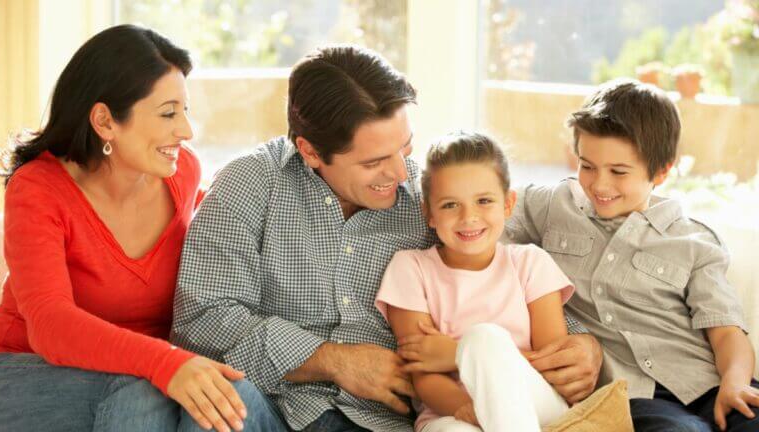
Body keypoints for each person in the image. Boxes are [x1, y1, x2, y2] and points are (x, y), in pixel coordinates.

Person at [172, 45, 602, 432]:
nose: (400, 175)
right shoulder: (251, 184)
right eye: (375, 161)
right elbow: (201, 321)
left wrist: (581, 342)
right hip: (277, 406)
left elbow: (496, 263)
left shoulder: (430, 197)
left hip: (383, 421)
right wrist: (332, 360)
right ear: (310, 152)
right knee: (210, 409)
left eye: (406, 148)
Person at [0, 24, 249, 432]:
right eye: (168, 113)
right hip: (23, 370)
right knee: (142, 394)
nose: (186, 130)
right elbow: (50, 325)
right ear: (105, 121)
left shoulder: (183, 174)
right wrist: (166, 361)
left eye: (186, 110)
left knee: (216, 398)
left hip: (143, 378)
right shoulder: (38, 189)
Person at [506, 78, 759, 432]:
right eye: (587, 165)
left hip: (708, 383)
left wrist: (735, 381)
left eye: (619, 172)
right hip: (633, 397)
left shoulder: (695, 241)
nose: (599, 184)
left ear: (662, 170)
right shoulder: (550, 207)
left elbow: (727, 332)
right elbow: (477, 204)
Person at [375, 131, 575, 431]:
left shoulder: (530, 264)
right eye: (450, 205)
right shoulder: (411, 269)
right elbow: (422, 371)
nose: (469, 217)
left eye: (483, 201)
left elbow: (552, 365)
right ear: (429, 212)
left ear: (507, 204)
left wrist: (456, 353)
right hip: (450, 412)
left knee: (484, 338)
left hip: (535, 402)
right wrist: (468, 409)